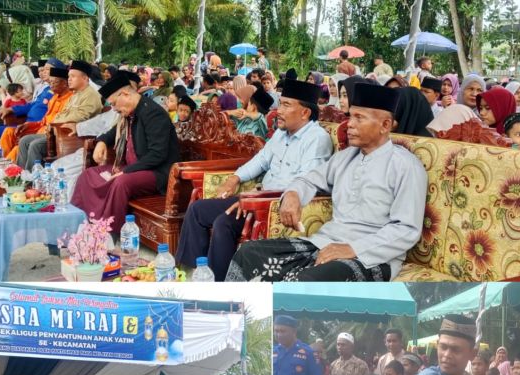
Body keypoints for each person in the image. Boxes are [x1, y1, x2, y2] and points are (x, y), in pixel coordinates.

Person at [226, 83, 427, 282]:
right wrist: (293, 194)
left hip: (371, 257)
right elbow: (309, 179)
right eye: (350, 116)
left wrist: (353, 248)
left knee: (305, 282)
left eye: (359, 118)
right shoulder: (345, 157)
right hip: (325, 241)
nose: (349, 124)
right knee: (249, 253)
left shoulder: (406, 166)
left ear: (385, 125)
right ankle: (241, 313)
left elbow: (407, 229)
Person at [176, 79, 332, 280]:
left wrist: (255, 199)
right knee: (197, 210)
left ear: (305, 113)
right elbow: (260, 161)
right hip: (256, 196)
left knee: (224, 222)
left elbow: (305, 184)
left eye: (285, 105)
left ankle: (219, 284)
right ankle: (192, 274)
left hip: (273, 205)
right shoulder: (281, 133)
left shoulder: (317, 139)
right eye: (280, 103)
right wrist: (234, 178)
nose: (278, 110)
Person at [72, 72, 179, 236]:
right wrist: (101, 141)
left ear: (126, 94)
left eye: (114, 104)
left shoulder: (153, 113)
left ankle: (108, 234)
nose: (114, 109)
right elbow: (112, 132)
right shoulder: (130, 113)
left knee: (121, 182)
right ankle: (81, 225)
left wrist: (126, 171)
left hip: (156, 172)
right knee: (88, 175)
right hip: (133, 168)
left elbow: (158, 154)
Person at [15, 60, 103, 169]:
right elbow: (61, 114)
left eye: (73, 76)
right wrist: (54, 122)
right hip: (58, 132)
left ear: (85, 78)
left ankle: (32, 180)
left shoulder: (91, 95)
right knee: (24, 140)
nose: (69, 79)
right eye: (69, 76)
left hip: (73, 137)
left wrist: (54, 122)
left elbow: (80, 116)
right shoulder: (76, 94)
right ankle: (21, 175)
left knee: (35, 145)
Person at [336, 75, 368, 149]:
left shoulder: (366, 126)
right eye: (340, 96)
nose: (340, 100)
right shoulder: (342, 120)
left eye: (345, 95)